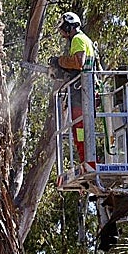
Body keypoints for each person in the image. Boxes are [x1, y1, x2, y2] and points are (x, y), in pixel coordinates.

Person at [48, 12, 98, 165]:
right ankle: (87, 160)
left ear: (69, 26)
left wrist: (59, 61)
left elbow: (78, 63)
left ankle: (87, 161)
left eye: (63, 29)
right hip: (83, 92)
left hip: (81, 92)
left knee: (80, 130)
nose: (62, 33)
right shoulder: (84, 39)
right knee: (81, 130)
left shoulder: (77, 39)